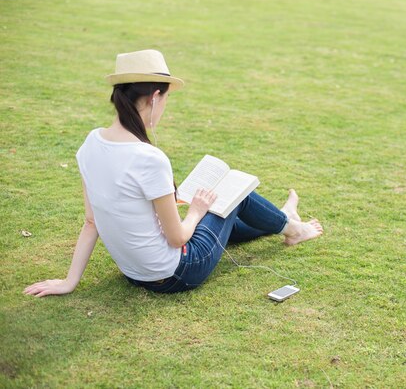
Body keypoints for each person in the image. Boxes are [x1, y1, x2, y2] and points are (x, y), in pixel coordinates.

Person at [23, 49, 323, 297]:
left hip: (134, 274)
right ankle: (295, 230)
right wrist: (194, 212)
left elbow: (91, 221)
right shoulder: (149, 158)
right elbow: (178, 238)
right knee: (232, 194)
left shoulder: (90, 143)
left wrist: (69, 281)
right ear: (155, 97)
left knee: (219, 213)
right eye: (166, 100)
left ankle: (281, 219)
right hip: (177, 274)